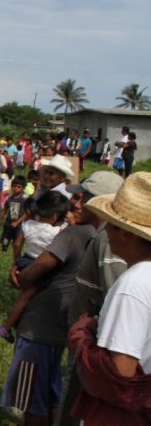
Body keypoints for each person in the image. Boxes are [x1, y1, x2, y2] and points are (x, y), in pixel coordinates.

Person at [2, 188, 96, 425]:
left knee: (31, 398)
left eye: (81, 198)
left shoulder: (72, 233)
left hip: (38, 329)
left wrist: (20, 275)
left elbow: (39, 266)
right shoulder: (96, 236)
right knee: (51, 395)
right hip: (62, 327)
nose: (75, 204)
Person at [67, 172, 151, 425]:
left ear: (128, 234)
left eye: (113, 226)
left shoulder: (132, 286)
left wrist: (83, 338)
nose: (107, 233)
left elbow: (120, 374)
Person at [54, 171, 125, 426]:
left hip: (94, 346)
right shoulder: (101, 235)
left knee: (76, 410)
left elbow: (114, 296)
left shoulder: (108, 239)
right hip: (88, 343)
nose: (76, 203)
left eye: (83, 197)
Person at [0, 191, 70, 343]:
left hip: (25, 261)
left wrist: (17, 261)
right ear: (56, 216)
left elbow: (17, 244)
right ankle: (6, 327)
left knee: (24, 296)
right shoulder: (57, 231)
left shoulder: (28, 225)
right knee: (24, 298)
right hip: (40, 267)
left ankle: (14, 322)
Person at [0, 175, 27, 252]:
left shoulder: (24, 199)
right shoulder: (10, 198)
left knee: (16, 242)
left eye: (18, 187)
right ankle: (3, 251)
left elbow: (27, 213)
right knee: (5, 239)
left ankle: (16, 253)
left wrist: (17, 222)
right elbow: (4, 210)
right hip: (9, 223)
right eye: (14, 186)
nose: (16, 188)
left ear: (23, 188)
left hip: (19, 225)